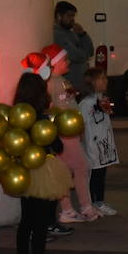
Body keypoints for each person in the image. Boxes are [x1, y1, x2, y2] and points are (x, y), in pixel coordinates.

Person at [25, 44, 102, 225]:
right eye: (65, 59)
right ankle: (82, 207)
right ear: (56, 62)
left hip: (70, 133)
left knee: (68, 171)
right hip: (63, 134)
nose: (68, 62)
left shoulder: (61, 80)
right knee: (80, 167)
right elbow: (51, 108)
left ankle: (71, 209)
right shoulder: (52, 83)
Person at [11, 63, 74, 254]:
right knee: (40, 224)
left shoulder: (16, 118)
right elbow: (56, 146)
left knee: (26, 220)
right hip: (42, 172)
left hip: (22, 172)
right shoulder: (39, 118)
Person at [78, 65, 121, 215]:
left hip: (104, 143)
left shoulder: (102, 99)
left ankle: (99, 201)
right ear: (93, 82)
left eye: (105, 78)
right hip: (93, 145)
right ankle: (91, 203)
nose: (106, 81)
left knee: (102, 174)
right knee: (94, 175)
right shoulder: (85, 104)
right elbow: (81, 125)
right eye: (102, 78)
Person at [53, 1, 94, 97]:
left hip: (81, 86)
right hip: (69, 87)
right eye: (69, 16)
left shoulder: (73, 33)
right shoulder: (56, 34)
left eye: (73, 16)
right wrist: (84, 54)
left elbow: (90, 51)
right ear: (59, 16)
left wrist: (82, 35)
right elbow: (75, 56)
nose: (72, 19)